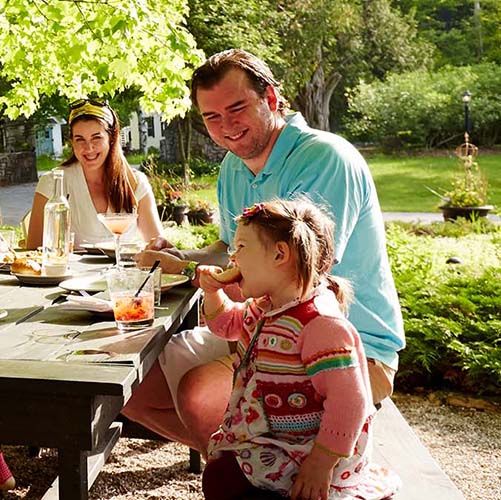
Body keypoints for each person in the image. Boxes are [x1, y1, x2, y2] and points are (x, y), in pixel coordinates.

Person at [125, 48, 405, 456]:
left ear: (271, 99)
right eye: (212, 117)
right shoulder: (233, 167)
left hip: (339, 348)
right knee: (132, 387)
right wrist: (182, 256)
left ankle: (261, 469)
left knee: (200, 395)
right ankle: (253, 463)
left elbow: (299, 276)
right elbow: (227, 250)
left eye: (237, 108)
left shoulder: (324, 157)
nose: (226, 126)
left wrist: (191, 276)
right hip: (258, 328)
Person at [199, 198, 400, 500]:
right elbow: (226, 324)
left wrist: (320, 465)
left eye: (240, 248)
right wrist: (212, 293)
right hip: (277, 438)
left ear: (280, 254)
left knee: (224, 479)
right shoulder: (267, 306)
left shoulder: (319, 325)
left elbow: (350, 403)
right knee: (221, 475)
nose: (232, 259)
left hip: (311, 450)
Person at [26, 99, 163, 249]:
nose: (89, 148)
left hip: (126, 272)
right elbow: (33, 251)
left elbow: (158, 246)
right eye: (80, 139)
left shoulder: (136, 182)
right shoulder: (53, 183)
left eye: (96, 138)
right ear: (71, 142)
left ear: (111, 138)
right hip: (73, 272)